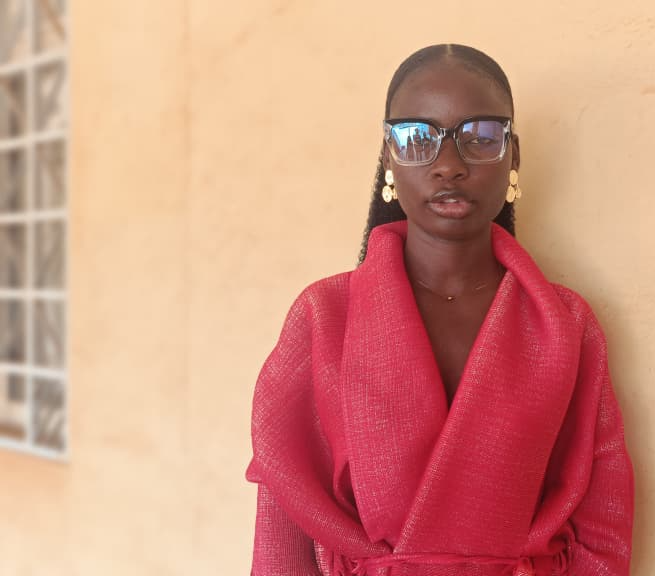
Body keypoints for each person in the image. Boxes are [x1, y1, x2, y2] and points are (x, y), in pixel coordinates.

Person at [246, 44, 634, 576]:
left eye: (481, 136)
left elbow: (603, 523)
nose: (449, 165)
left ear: (513, 156)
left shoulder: (566, 325)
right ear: (388, 157)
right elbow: (284, 526)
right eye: (416, 137)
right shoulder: (324, 316)